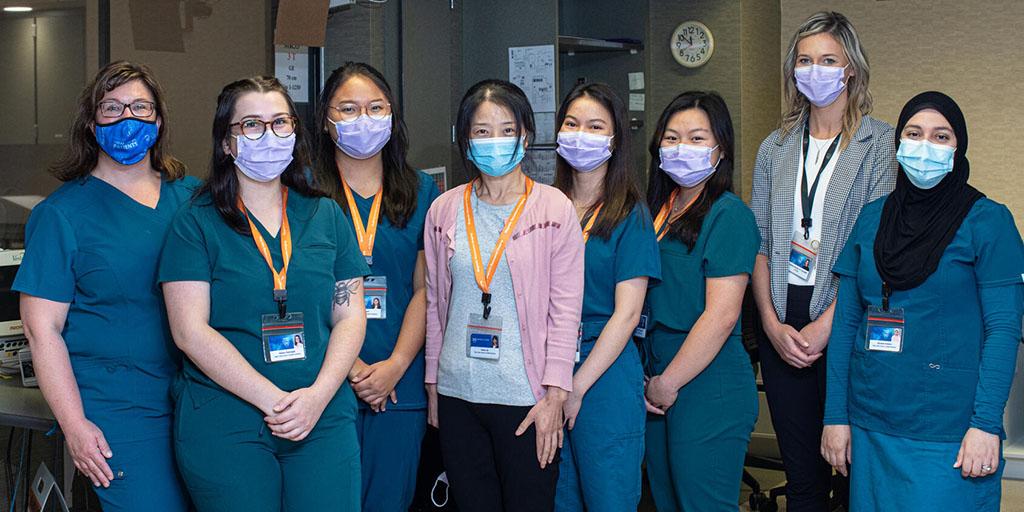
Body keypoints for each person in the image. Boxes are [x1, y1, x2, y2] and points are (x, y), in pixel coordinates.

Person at [159, 76, 369, 511]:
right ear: (227, 143)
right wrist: (272, 400)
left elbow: (350, 315)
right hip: (228, 421)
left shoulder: (325, 215)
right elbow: (189, 332)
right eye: (251, 125)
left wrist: (317, 396)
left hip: (321, 416)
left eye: (280, 123)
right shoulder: (194, 222)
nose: (268, 135)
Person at [821, 91, 1024, 511]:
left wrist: (986, 424)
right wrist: (835, 416)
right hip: (872, 422)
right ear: (898, 144)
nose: (925, 146)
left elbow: (1004, 331)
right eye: (913, 133)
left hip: (950, 430)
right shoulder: (873, 217)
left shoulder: (989, 221)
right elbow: (844, 327)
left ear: (958, 147)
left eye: (941, 136)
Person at [14, 61, 193, 511]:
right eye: (111, 108)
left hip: (201, 401)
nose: (126, 118)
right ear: (91, 124)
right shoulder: (61, 215)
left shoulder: (193, 198)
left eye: (140, 107)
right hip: (118, 412)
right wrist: (74, 425)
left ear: (159, 119)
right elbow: (42, 331)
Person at [750, 11, 897, 510]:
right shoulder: (775, 148)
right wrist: (770, 324)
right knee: (803, 477)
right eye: (806, 60)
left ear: (850, 68)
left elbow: (874, 252)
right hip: (783, 324)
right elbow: (762, 243)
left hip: (847, 323)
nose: (816, 70)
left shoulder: (881, 145)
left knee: (855, 474)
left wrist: (828, 326)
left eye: (828, 60)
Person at [424, 79, 584, 511]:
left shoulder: (554, 209)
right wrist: (433, 384)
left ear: (526, 135)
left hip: (526, 401)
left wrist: (555, 395)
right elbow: (437, 305)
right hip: (459, 397)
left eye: (507, 129)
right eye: (482, 131)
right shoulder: (443, 209)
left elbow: (566, 311)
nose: (495, 141)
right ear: (465, 140)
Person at [312, 62, 439, 511]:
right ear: (326, 121)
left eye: (375, 107)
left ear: (392, 115)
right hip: (324, 382)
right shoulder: (303, 192)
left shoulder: (423, 191)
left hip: (397, 381)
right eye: (347, 109)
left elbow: (426, 290)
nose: (362, 119)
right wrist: (351, 368)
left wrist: (394, 365)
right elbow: (303, 292)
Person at [642, 91, 759, 511]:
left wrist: (667, 383)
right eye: (671, 138)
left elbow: (722, 316)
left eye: (695, 138)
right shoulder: (660, 210)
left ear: (720, 149)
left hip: (705, 379)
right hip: (656, 374)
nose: (680, 149)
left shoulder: (730, 216)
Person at [551, 83, 660, 512]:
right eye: (572, 124)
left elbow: (628, 314)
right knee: (559, 496)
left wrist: (576, 388)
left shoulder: (630, 214)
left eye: (595, 126)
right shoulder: (547, 205)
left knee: (608, 496)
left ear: (615, 140)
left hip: (605, 370)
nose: (581, 134)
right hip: (553, 361)